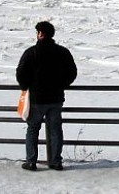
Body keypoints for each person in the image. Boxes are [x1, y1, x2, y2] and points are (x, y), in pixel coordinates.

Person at [16, 21, 77, 171]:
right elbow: (72, 72)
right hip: (56, 98)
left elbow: (21, 73)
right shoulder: (62, 52)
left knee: (32, 129)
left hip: (36, 99)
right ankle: (56, 161)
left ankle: (31, 161)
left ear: (40, 34)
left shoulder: (31, 52)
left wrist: (26, 87)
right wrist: (62, 85)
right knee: (55, 130)